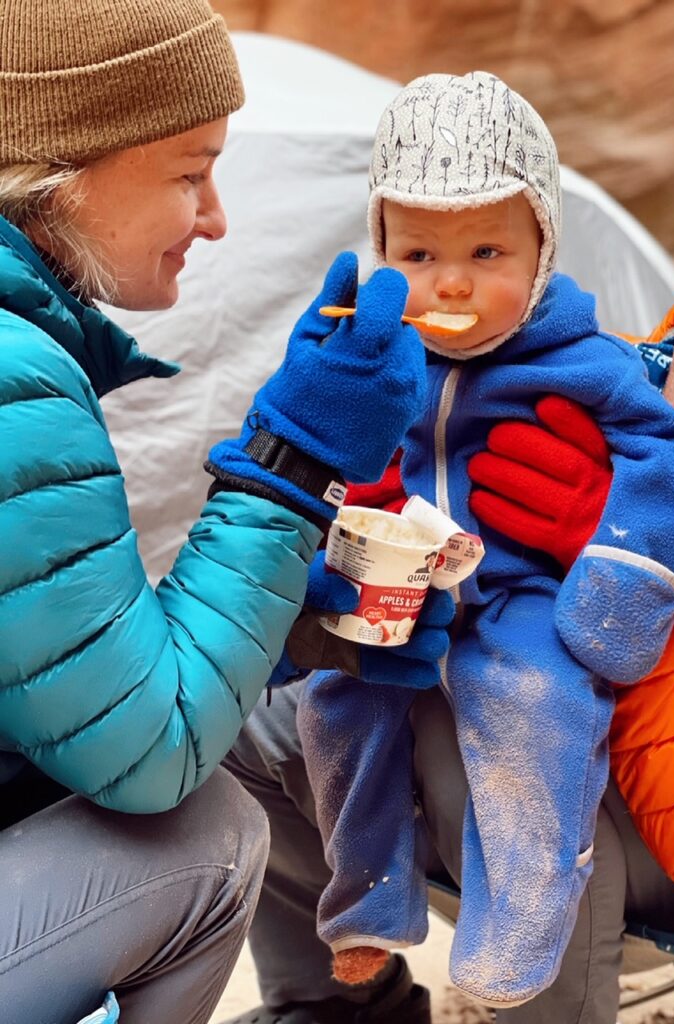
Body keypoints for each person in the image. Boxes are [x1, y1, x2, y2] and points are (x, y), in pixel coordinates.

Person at [223, 161, 674, 1024]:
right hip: (511, 733)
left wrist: (628, 570)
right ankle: (334, 1007)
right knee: (260, 714)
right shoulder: (597, 382)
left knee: (507, 734)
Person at [0, 3, 435, 1022]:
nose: (217, 217)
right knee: (203, 833)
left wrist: (280, 633)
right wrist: (291, 467)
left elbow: (50, 674)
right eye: (190, 172)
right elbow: (149, 754)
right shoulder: (13, 379)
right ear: (63, 169)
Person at [242, 69, 674, 1014]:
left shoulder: (588, 361)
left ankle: (522, 929)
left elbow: (668, 452)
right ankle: (369, 902)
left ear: (541, 250)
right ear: (379, 249)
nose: (450, 281)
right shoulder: (380, 353)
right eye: (416, 252)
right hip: (408, 590)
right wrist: (341, 503)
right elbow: (334, 456)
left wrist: (618, 575)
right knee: (337, 703)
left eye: (487, 249)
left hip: (528, 594)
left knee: (536, 701)